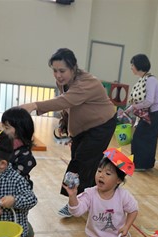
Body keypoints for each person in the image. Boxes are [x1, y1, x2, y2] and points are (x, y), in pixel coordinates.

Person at [19, 48, 117, 218]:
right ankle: (92, 196)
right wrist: (66, 123)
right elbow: (69, 105)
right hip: (82, 128)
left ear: (73, 68)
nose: (58, 75)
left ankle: (76, 203)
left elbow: (65, 100)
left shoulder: (87, 82)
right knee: (84, 162)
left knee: (79, 163)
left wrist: (35, 105)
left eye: (62, 71)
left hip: (101, 126)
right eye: (55, 71)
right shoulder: (64, 82)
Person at [0, 107, 38, 237]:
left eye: (7, 127)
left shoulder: (25, 154)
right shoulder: (7, 144)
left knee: (21, 219)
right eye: (3, 126)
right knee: (11, 217)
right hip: (6, 187)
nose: (3, 130)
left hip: (20, 192)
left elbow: (17, 173)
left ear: (20, 129)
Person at [120, 54, 158, 171]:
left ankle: (141, 164)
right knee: (145, 138)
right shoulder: (143, 79)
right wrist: (130, 109)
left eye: (132, 65)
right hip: (148, 113)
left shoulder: (150, 80)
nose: (131, 67)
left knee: (141, 138)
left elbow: (149, 101)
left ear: (138, 66)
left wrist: (132, 108)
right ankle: (145, 164)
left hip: (154, 114)